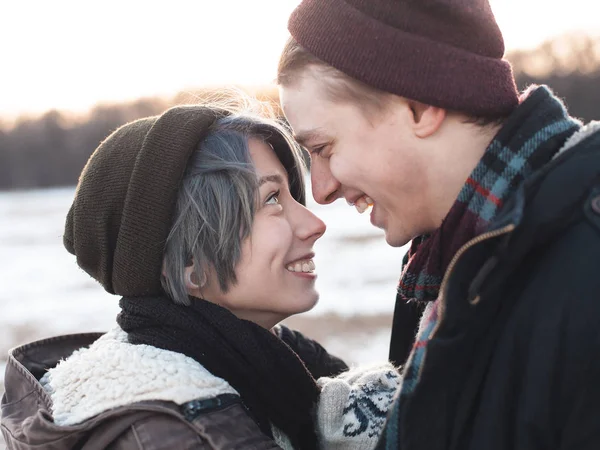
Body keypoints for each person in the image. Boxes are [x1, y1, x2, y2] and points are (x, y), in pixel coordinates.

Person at [276, 0, 600, 449]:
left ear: (420, 105)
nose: (323, 189)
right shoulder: (443, 268)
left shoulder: (584, 266)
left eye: (325, 147)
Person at [0, 101, 367, 449]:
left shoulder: (279, 367)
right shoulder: (167, 434)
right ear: (188, 262)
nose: (314, 224)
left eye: (292, 196)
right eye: (272, 199)